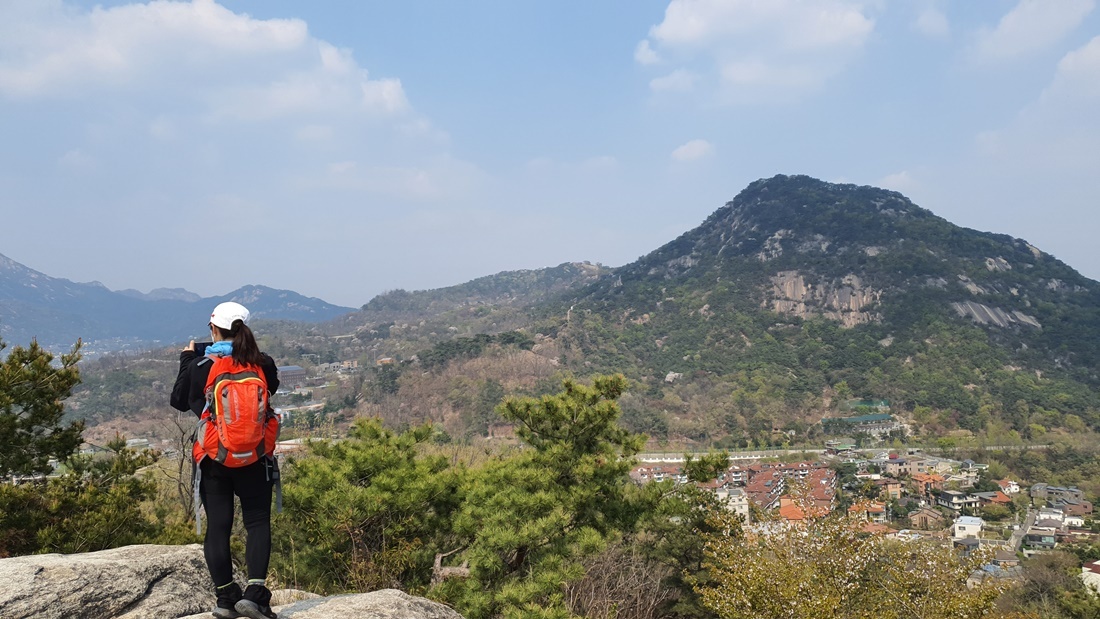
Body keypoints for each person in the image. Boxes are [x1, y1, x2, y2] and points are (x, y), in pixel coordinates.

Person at [171, 302, 281, 619]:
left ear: (213, 329)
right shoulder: (263, 363)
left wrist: (186, 360)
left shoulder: (200, 365)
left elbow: (178, 401)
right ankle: (255, 595)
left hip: (213, 458)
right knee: (257, 522)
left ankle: (225, 597)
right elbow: (271, 389)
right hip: (255, 456)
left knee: (218, 527)